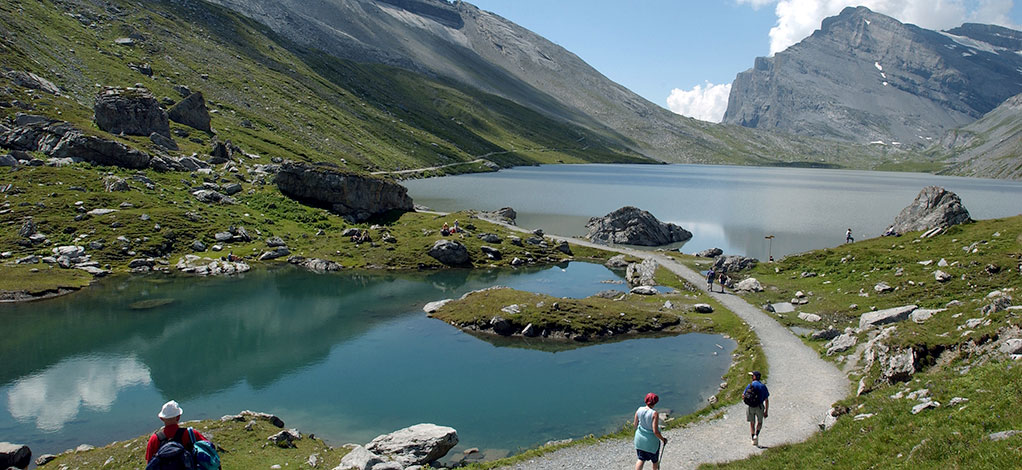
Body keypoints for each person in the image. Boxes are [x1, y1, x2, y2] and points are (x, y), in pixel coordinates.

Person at [145, 400, 210, 463]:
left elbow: (150, 462)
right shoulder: (191, 434)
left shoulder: (154, 439)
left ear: (161, 418)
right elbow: (208, 447)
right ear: (178, 417)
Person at [633, 392, 667, 470]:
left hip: (639, 440)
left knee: (641, 459)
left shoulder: (639, 409)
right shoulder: (654, 414)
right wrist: (663, 439)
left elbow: (635, 425)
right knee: (655, 461)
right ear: (655, 402)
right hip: (651, 442)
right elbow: (655, 431)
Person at [745, 371, 770, 447]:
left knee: (752, 423)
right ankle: (756, 434)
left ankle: (753, 439)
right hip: (759, 407)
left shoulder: (750, 385)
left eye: (752, 376)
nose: (752, 377)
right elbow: (766, 399)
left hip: (751, 407)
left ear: (755, 377)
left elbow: (744, 395)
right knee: (759, 422)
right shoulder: (763, 386)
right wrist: (766, 411)